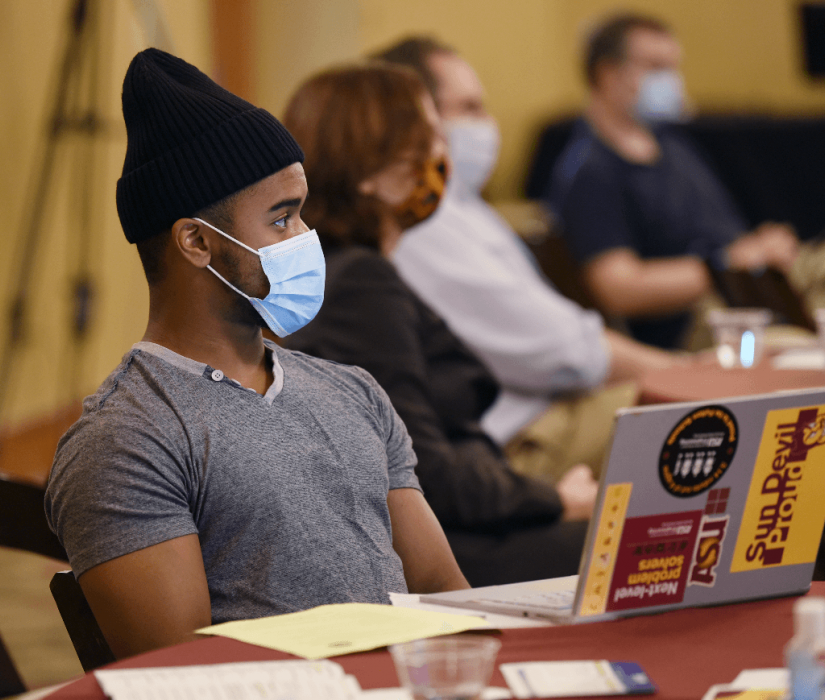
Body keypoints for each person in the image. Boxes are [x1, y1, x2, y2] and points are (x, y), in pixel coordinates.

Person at [44, 49, 468, 660]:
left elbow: (442, 593)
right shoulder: (129, 438)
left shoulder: (353, 392)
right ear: (195, 241)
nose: (306, 239)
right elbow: (182, 672)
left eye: (300, 214)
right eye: (281, 219)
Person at [283, 63, 598, 587]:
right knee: (623, 544)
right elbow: (424, 472)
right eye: (424, 137)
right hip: (438, 548)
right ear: (368, 171)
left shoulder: (341, 272)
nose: (440, 153)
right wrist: (555, 501)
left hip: (457, 516)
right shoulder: (361, 281)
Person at [372, 37, 676, 480]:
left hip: (559, 407)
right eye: (469, 108)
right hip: (522, 439)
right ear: (417, 120)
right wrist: (687, 373)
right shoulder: (419, 224)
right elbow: (560, 350)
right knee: (712, 412)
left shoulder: (460, 205)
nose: (487, 125)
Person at [548, 14, 802, 349]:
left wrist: (758, 252)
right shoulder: (589, 172)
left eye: (672, 67)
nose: (670, 80)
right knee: (801, 344)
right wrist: (728, 265)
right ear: (608, 74)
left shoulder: (673, 147)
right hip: (695, 333)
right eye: (655, 67)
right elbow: (619, 289)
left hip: (742, 301)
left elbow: (726, 238)